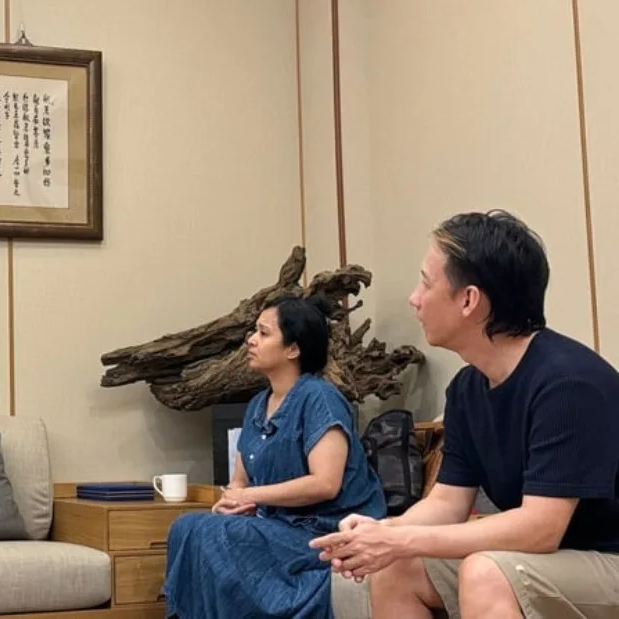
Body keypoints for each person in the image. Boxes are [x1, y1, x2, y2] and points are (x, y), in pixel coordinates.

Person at [314, 210, 619, 619]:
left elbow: (541, 528)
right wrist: (382, 532)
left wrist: (403, 541)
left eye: (426, 283)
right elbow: (447, 503)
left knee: (486, 572)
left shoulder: (567, 383)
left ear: (469, 300)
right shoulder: (467, 388)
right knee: (395, 569)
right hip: (556, 559)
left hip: (607, 557)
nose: (414, 298)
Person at [162, 295, 387, 618]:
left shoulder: (320, 398)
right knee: (187, 527)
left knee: (217, 534)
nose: (251, 340)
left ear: (293, 349)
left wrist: (250, 496)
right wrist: (231, 502)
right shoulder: (257, 404)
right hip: (276, 526)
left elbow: (325, 483)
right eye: (254, 331)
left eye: (263, 333)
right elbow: (239, 482)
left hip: (321, 531)